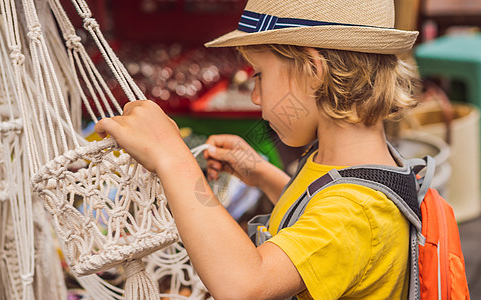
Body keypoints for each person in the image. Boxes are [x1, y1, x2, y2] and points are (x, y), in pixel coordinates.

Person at [94, 0, 420, 298]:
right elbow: (316, 220)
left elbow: (246, 284)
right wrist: (264, 176)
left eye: (260, 76)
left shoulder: (357, 213)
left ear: (313, 71)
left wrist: (171, 157)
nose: (255, 96)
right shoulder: (351, 163)